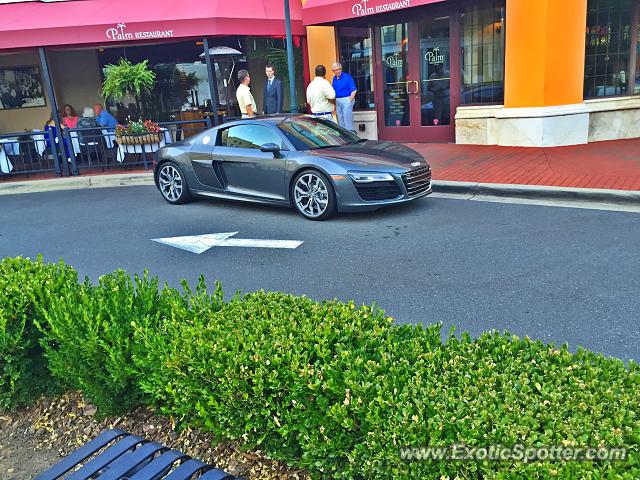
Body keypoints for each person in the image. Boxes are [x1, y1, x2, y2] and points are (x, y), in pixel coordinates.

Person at [331, 62, 357, 131]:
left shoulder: (347, 77)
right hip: (337, 101)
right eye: (335, 70)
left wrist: (349, 100)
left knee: (347, 120)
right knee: (340, 121)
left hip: (346, 99)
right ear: (333, 71)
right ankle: (343, 137)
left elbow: (354, 90)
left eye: (339, 69)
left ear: (341, 68)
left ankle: (350, 135)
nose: (338, 71)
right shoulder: (334, 78)